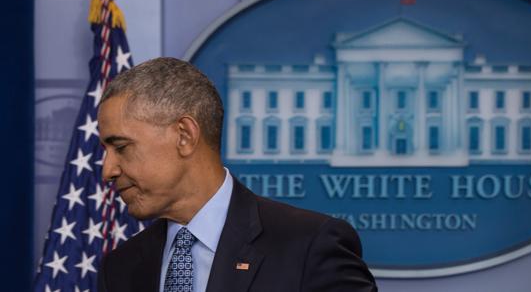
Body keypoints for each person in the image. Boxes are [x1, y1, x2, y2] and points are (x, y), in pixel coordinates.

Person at [97, 57, 378, 292]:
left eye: (121, 147)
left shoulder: (309, 246)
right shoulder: (121, 267)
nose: (108, 170)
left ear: (184, 136)